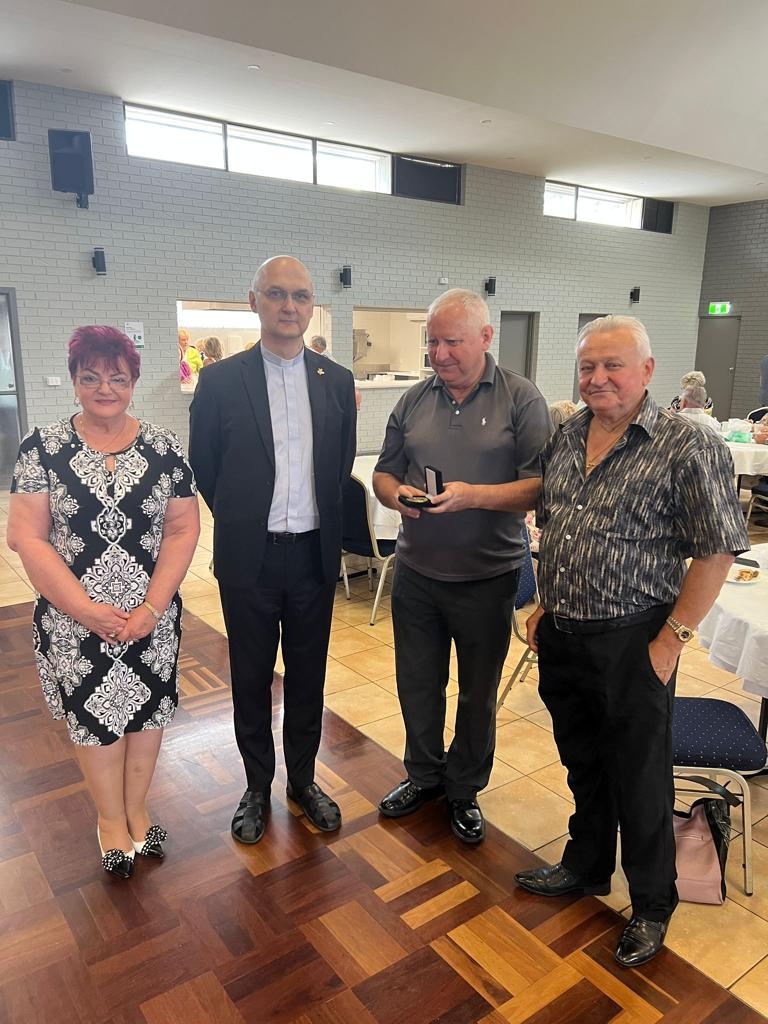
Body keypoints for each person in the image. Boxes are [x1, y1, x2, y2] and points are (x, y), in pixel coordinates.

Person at [515, 315, 749, 968]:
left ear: (647, 370)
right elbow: (559, 521)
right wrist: (546, 602)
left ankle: (652, 902)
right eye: (587, 366)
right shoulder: (569, 434)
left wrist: (672, 641)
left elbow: (716, 550)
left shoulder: (686, 443)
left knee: (640, 777)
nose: (598, 378)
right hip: (565, 634)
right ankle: (586, 865)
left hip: (635, 638)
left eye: (612, 365)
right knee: (584, 764)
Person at [7, 326, 200, 879]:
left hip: (150, 619)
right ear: (74, 381)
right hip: (75, 621)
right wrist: (87, 611)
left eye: (117, 378)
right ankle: (110, 821)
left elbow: (182, 529)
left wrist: (152, 608)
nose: (105, 389)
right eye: (90, 377)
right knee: (95, 721)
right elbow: (26, 537)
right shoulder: (42, 448)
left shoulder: (164, 447)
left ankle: (138, 811)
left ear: (133, 381)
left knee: (147, 715)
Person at [373, 289, 552, 844]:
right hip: (417, 574)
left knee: (478, 693)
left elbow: (541, 486)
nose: (440, 353)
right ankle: (424, 776)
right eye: (432, 342)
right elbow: (383, 472)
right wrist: (396, 496)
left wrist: (475, 496)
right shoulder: (414, 399)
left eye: (452, 341)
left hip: (487, 577)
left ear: (485, 337)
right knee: (417, 683)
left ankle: (464, 788)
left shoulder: (522, 399)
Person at [188, 256, 357, 845]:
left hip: (313, 557)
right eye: (277, 294)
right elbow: (205, 465)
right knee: (251, 675)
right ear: (254, 300)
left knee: (309, 676)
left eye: (301, 296)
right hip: (249, 559)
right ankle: (256, 786)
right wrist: (241, 518)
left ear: (312, 306)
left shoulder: (336, 380)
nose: (289, 306)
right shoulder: (220, 381)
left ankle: (303, 780)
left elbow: (338, 464)